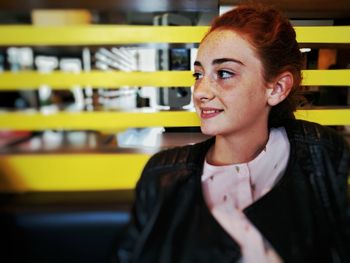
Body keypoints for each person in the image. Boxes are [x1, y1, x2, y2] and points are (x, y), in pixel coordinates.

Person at [117, 3, 349, 263]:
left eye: (224, 73)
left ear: (277, 88)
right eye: (199, 74)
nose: (200, 91)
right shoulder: (162, 176)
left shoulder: (323, 154)